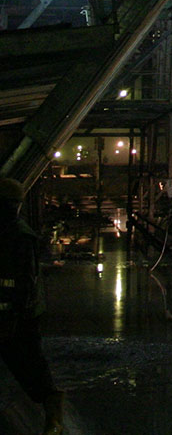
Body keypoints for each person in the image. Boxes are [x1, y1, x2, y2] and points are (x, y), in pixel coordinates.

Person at [0, 178, 64, 435]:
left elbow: (24, 283)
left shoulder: (19, 236)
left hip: (19, 315)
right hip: (15, 313)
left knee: (29, 365)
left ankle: (54, 415)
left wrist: (14, 315)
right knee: (28, 364)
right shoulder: (15, 233)